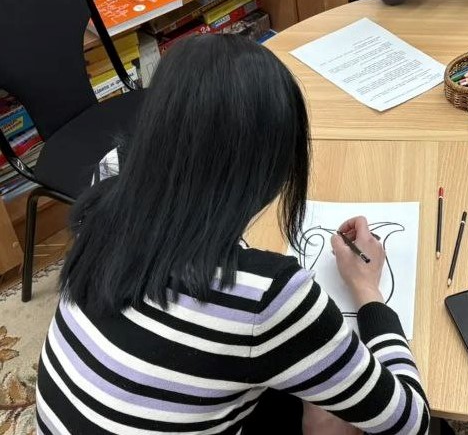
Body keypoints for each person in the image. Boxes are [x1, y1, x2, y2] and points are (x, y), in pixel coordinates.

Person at [37, 35, 430, 435]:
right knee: (331, 415)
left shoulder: (109, 180)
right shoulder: (268, 295)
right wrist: (367, 290)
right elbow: (409, 421)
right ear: (272, 166)